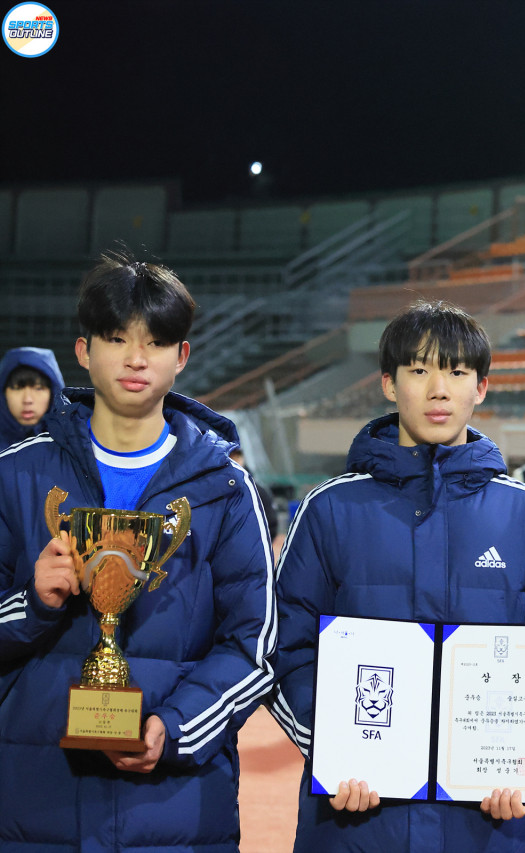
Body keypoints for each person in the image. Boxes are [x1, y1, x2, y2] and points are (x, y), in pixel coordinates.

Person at [268, 300, 525, 852]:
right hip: (356, 824)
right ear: (388, 384)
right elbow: (283, 646)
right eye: (419, 370)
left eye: (457, 372)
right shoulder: (329, 510)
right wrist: (331, 748)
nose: (439, 390)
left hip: (490, 824)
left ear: (481, 387)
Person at [0, 252, 277, 851]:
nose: (135, 358)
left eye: (155, 342)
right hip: (32, 804)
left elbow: (254, 645)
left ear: (182, 356)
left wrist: (177, 728)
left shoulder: (226, 490)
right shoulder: (13, 475)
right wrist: (32, 603)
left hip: (175, 815)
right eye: (117, 338)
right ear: (83, 351)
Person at [1, 346, 65, 447]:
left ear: (53, 393)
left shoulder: (73, 445)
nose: (27, 400)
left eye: (38, 388)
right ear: (3, 393)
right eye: (17, 388)